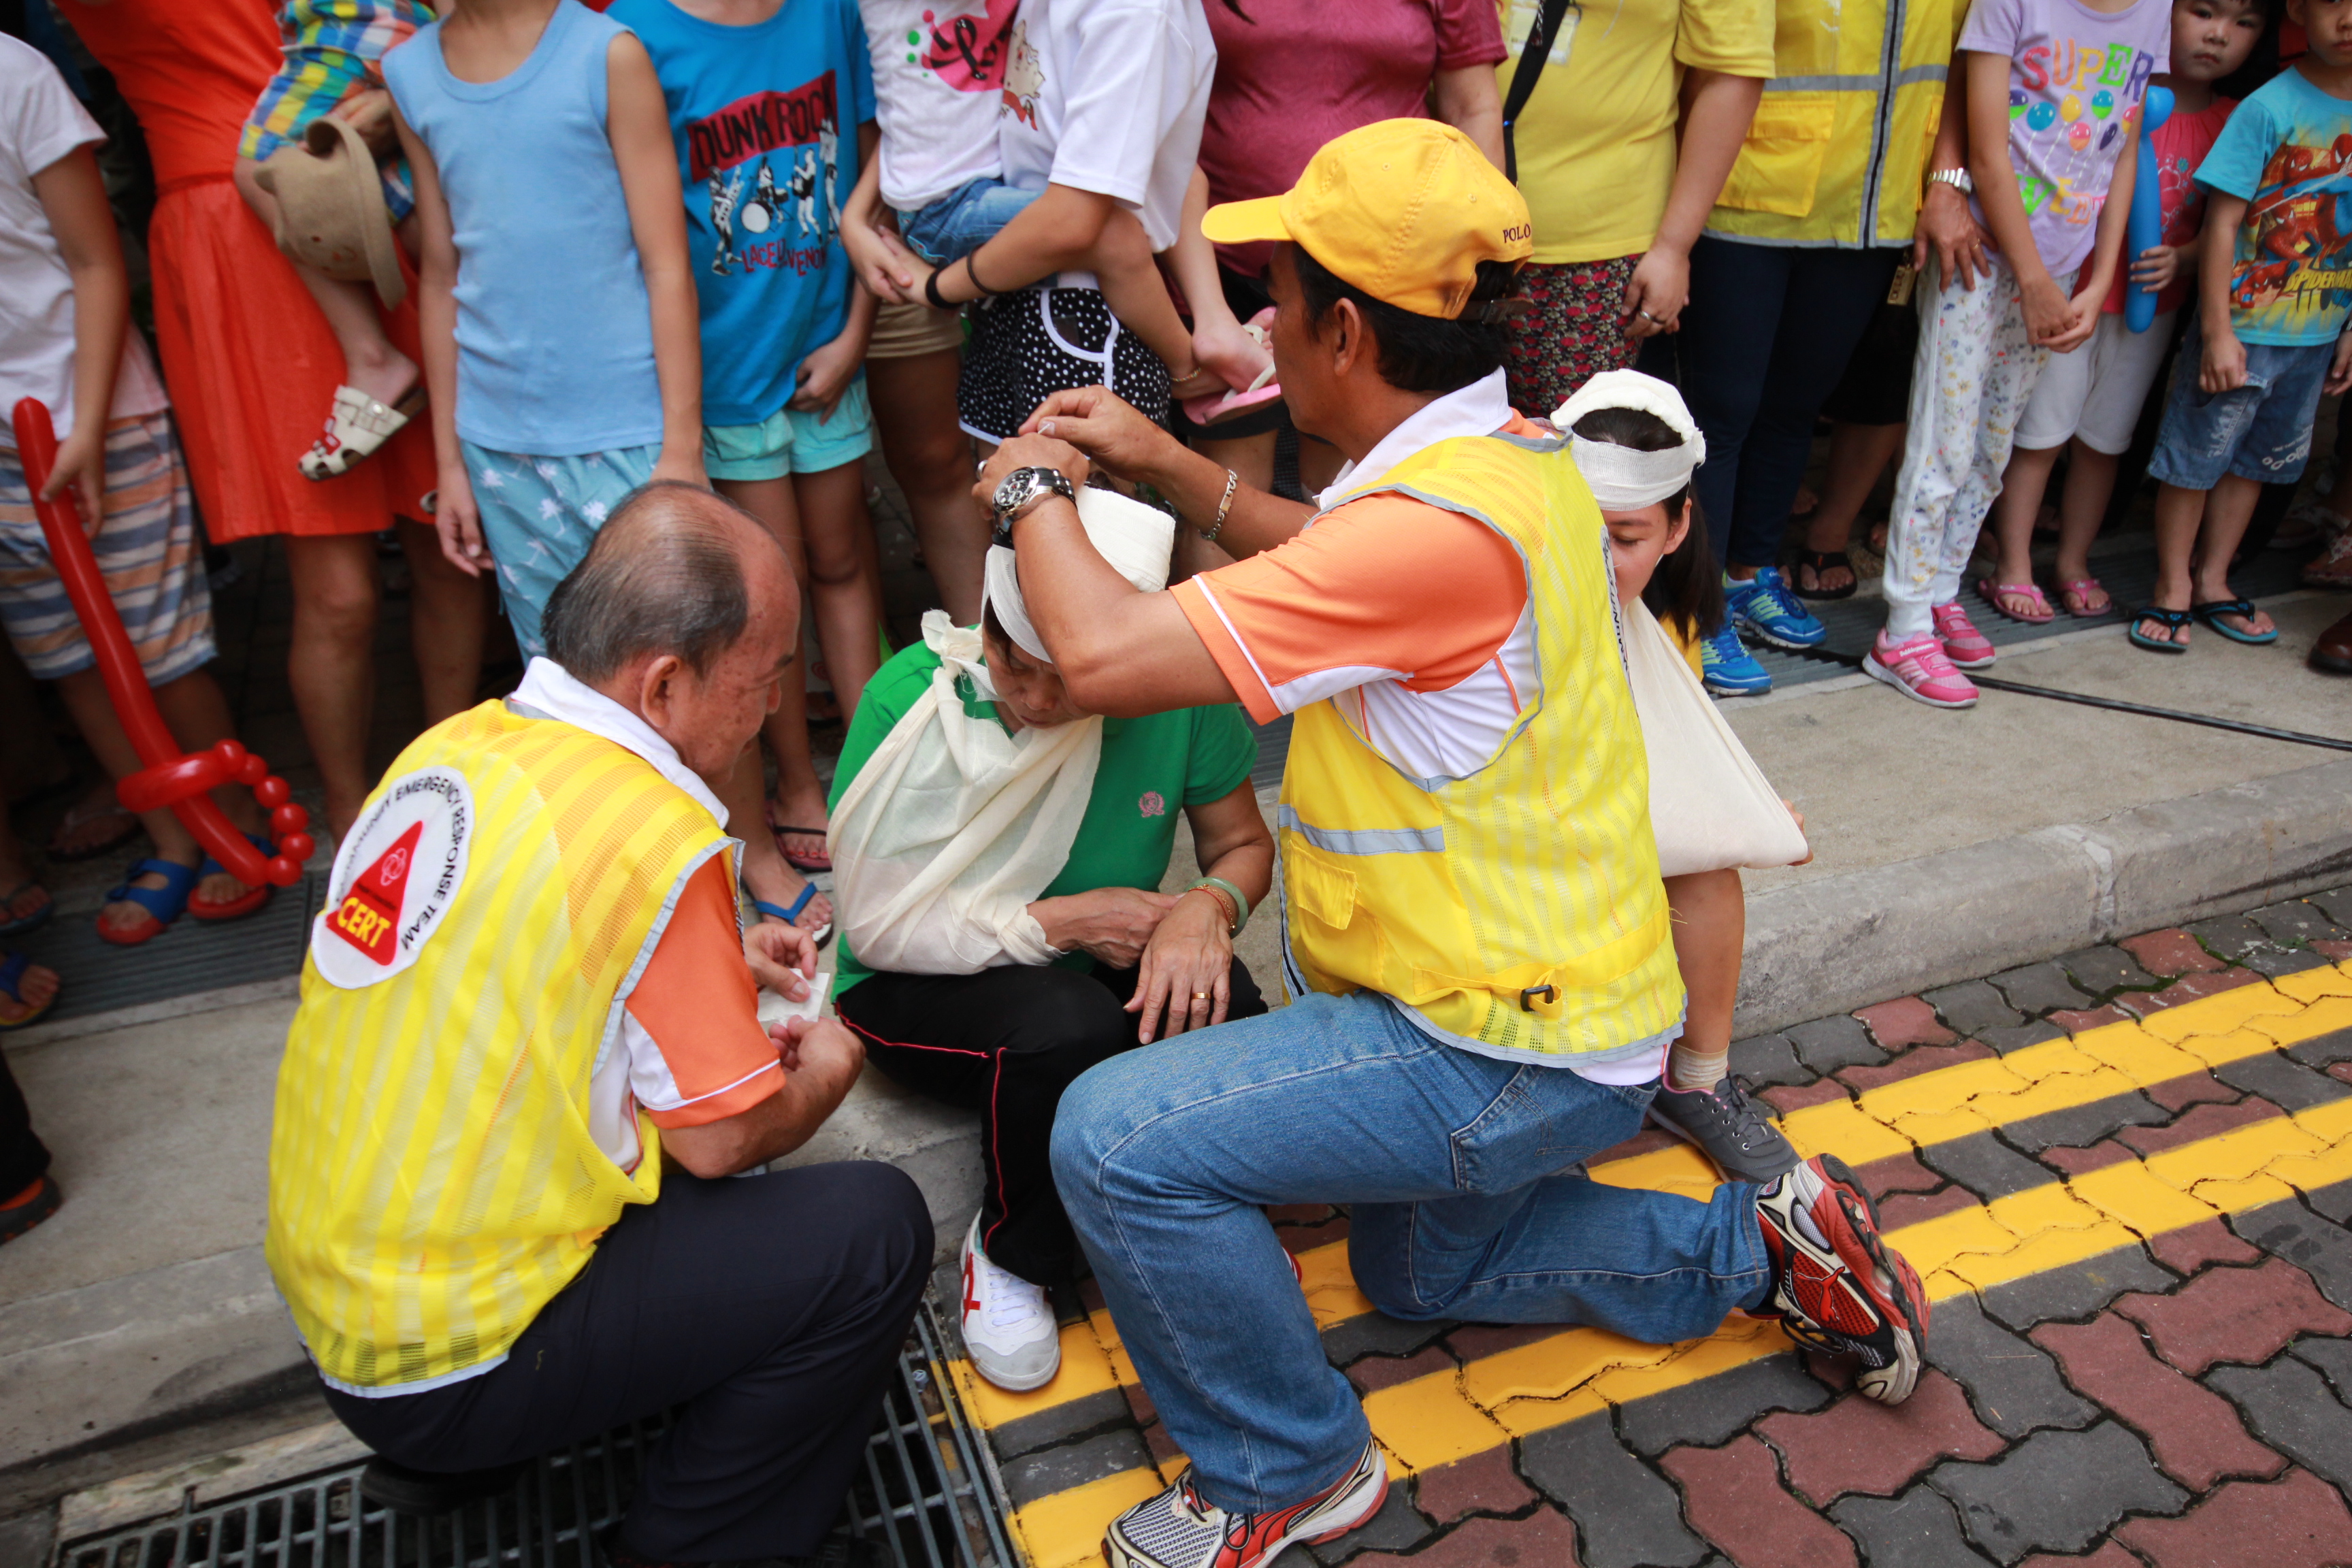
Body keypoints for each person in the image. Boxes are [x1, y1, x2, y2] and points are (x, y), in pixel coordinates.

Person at [991, 120, 1929, 1568]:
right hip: (1559, 1003)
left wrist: (1027, 482)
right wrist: (1173, 466)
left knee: (1119, 1144)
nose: (1259, 331)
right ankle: (1760, 1251)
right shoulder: (1518, 457)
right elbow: (1329, 558)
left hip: (1502, 1042)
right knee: (1420, 1262)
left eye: (1276, 302)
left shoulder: (1424, 532)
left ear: (1348, 328)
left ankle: (1288, 1471)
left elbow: (1103, 650)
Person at [267, 484, 928, 1568]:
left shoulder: (454, 752)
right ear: (664, 682)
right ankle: (708, 1545)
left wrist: (708, 967)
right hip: (461, 1356)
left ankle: (471, 1463)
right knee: (872, 1229)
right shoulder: (652, 832)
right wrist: (832, 1070)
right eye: (765, 681)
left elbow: (514, 974)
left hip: (340, 1306)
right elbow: (718, 1140)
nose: (772, 713)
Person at [826, 496, 1272, 1392]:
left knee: (1228, 1002)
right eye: (1011, 663)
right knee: (1067, 1026)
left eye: (1066, 680)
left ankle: (1178, 1220)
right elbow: (880, 927)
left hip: (1088, 967)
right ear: (983, 620)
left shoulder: (1178, 695)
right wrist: (1063, 924)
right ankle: (1011, 1254)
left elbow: (1240, 848)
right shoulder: (914, 700)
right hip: (913, 978)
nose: (1032, 700)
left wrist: (1208, 908)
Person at [56, 0, 487, 846]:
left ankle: (461, 781)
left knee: (452, 551)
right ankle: (351, 812)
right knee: (337, 593)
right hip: (242, 221)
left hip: (367, 180)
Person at [606, 0, 886, 938]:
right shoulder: (637, 33)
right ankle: (797, 784)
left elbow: (869, 162)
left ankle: (876, 770)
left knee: (847, 563)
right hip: (728, 374)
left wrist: (857, 332)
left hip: (827, 345)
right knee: (783, 589)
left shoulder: (826, 13)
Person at [0, 33, 280, 945]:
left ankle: (226, 824)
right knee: (67, 656)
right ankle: (169, 835)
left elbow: (93, 261)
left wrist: (82, 429)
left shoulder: (18, 75)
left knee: (160, 647)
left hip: (97, 416)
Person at [1867, 0, 2170, 708]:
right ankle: (1902, 627)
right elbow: (1985, 144)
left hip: (2065, 267)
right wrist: (2032, 278)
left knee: (1994, 441)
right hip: (1982, 260)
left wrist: (2097, 278)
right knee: (1944, 438)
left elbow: (2125, 145)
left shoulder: (2153, 10)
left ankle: (1942, 590)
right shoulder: (2013, 2)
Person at [1672, 0, 1976, 698]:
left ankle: (1749, 575)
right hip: (1748, 201)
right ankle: (1698, 605)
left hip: (1871, 216)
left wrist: (1943, 182)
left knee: (1795, 409)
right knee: (1722, 413)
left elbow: (1958, 67)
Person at [387, 0, 707, 661]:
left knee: (677, 670)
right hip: (497, 444)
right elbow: (440, 271)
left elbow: (668, 264)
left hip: (629, 430)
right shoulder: (408, 71)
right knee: (561, 678)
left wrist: (681, 448)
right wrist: (450, 464)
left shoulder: (607, 53)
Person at [1559, 371, 1804, 1183]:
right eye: (1577, 531)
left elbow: (1679, 766)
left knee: (1709, 873)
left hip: (1603, 848)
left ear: (1676, 528)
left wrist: (1738, 812)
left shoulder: (1669, 630)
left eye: (1624, 539)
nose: (1596, 562)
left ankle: (1699, 1079)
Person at [1984, 0, 2267, 625]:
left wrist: (2187, 259)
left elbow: (2232, 225)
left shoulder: (2236, 121)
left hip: (2153, 312)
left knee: (2104, 442)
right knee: (2039, 437)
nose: (2218, 35)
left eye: (2244, 23)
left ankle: (2074, 561)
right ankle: (2014, 564)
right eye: (2202, 12)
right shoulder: (2114, 91)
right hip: (2074, 295)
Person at [846, 1, 1262, 413]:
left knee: (1069, 475)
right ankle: (1190, 361)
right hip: (1000, 257)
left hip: (1072, 301)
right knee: (1008, 473)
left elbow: (1103, 209)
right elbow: (916, 101)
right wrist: (858, 214)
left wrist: (936, 287)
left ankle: (1194, 356)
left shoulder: (1133, 15)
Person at [1188, 0, 1506, 496]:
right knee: (1233, 485)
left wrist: (1472, 256)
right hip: (1228, 270)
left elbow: (1474, 105)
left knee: (1352, 485)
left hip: (1381, 274)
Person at [2136, 0, 2352, 652]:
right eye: (2335, 0)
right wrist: (2217, 331)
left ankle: (2214, 580)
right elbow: (2222, 224)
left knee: (2256, 465)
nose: (2348, 18)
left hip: (2316, 335)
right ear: (2297, 11)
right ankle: (2171, 585)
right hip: (2243, 328)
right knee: (2195, 461)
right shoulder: (2268, 105)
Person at [1497, 0, 1769, 412]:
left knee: (1578, 452)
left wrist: (1673, 248)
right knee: (1434, 448)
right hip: (1445, 225)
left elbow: (1733, 74)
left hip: (1596, 252)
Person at [235, 0, 435, 480]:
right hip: (362, 31)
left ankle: (373, 358)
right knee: (421, 225)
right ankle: (469, 456)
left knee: (268, 163)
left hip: (356, 28)